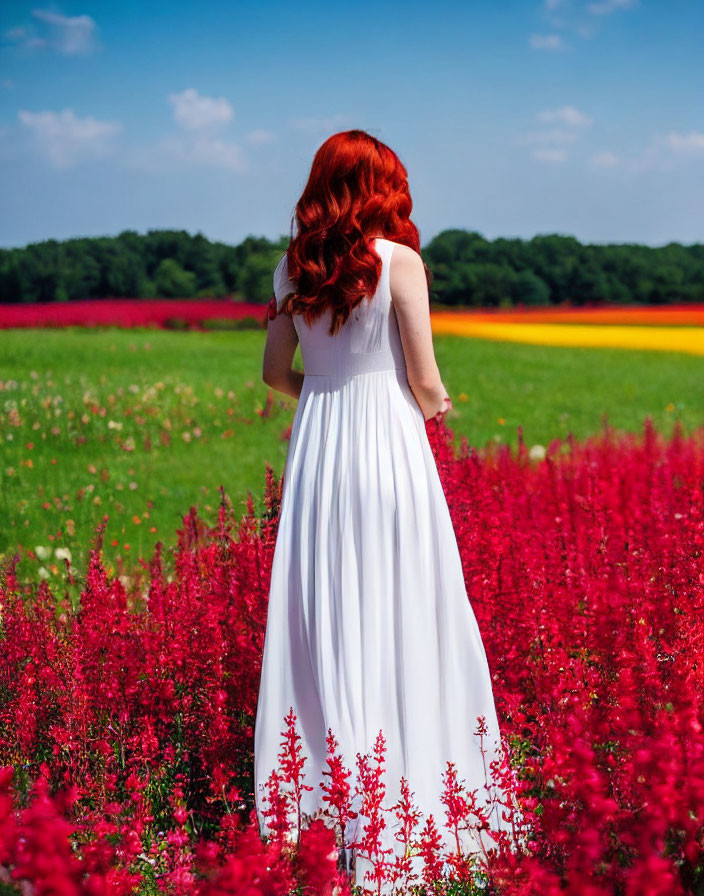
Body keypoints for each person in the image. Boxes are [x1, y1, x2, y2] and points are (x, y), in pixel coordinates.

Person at [253, 130, 513, 888]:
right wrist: (422, 410)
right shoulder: (400, 263)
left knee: (321, 617)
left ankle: (321, 818)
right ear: (383, 187)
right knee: (410, 611)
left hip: (318, 458)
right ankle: (415, 804)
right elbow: (428, 383)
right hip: (390, 455)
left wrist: (328, 405)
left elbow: (276, 374)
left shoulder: (289, 268)